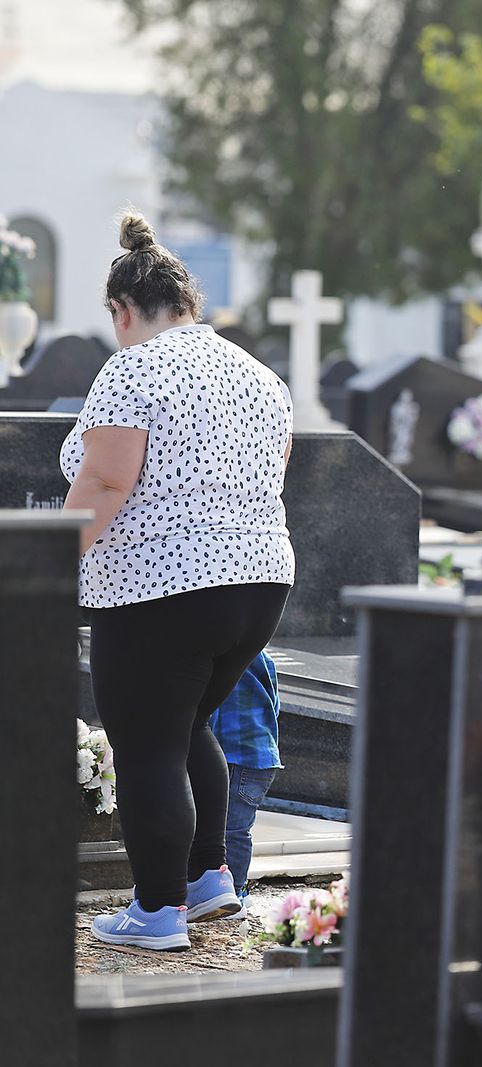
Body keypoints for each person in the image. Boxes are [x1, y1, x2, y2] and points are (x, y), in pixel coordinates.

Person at [65, 212, 294, 951]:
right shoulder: (261, 377)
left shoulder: (132, 368)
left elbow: (104, 482)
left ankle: (157, 911)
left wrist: (36, 572)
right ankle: (206, 881)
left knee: (146, 746)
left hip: (160, 586)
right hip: (260, 585)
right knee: (187, 725)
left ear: (122, 311)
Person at [210, 650, 284, 913]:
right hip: (263, 756)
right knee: (238, 829)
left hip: (234, 754)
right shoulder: (263, 658)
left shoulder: (222, 658)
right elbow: (274, 705)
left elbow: (211, 712)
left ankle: (234, 892)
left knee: (229, 830)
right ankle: (237, 890)